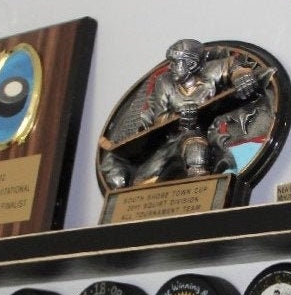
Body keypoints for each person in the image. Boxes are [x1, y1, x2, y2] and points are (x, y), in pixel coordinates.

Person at [100, 39, 273, 188]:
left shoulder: (211, 71)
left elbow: (233, 65)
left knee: (195, 146)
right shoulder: (165, 82)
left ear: (190, 64)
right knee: (142, 181)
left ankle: (200, 186)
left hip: (206, 135)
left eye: (175, 62)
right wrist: (179, 118)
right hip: (173, 140)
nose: (171, 67)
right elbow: (161, 117)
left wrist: (242, 76)